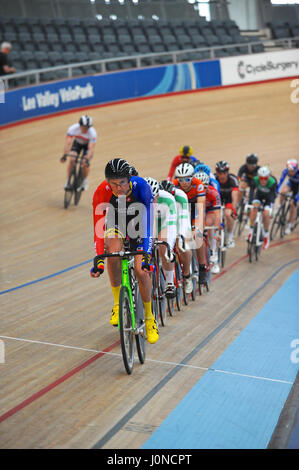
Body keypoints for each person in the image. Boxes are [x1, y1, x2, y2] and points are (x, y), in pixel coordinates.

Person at [90, 158, 159, 344]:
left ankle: (150, 317)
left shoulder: (142, 187)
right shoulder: (101, 192)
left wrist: (145, 255)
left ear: (130, 179)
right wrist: (99, 260)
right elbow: (98, 231)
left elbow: (149, 224)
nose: (118, 188)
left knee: (140, 271)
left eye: (122, 183)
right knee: (112, 252)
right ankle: (117, 304)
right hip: (116, 224)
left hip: (139, 225)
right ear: (107, 182)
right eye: (113, 183)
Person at [173, 163, 207, 284]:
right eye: (181, 179)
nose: (184, 182)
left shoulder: (198, 185)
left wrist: (197, 227)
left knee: (198, 237)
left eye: (187, 179)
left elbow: (201, 207)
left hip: (195, 212)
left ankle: (202, 267)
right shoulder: (174, 186)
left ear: (192, 177)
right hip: (182, 213)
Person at [144, 177, 177, 299]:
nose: (152, 202)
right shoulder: (138, 200)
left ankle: (169, 283)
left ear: (158, 194)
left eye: (154, 199)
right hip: (149, 222)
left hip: (165, 222)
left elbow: (171, 225)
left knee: (163, 243)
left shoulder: (167, 199)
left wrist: (168, 246)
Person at [159, 180, 193, 294]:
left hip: (179, 220)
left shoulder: (181, 196)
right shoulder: (160, 199)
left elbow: (184, 219)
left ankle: (187, 275)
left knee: (184, 246)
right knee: (162, 246)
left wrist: (182, 237)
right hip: (165, 221)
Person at [60, 115, 97, 191]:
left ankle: (85, 181)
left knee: (84, 163)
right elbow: (68, 143)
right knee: (72, 159)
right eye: (84, 127)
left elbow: (91, 148)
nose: (85, 129)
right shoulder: (73, 129)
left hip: (87, 145)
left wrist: (87, 159)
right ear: (80, 125)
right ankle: (68, 181)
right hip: (77, 143)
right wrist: (64, 155)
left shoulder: (92, 133)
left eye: (87, 127)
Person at [196, 171, 222, 274]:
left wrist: (216, 231)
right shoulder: (193, 193)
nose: (203, 190)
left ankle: (214, 254)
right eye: (201, 187)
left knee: (209, 224)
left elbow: (217, 214)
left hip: (210, 210)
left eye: (205, 187)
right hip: (198, 211)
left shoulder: (213, 193)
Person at [247, 166, 277, 249]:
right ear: (258, 177)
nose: (263, 180)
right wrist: (249, 203)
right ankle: (251, 231)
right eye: (261, 178)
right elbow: (251, 192)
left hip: (269, 199)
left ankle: (266, 236)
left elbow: (273, 196)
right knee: (254, 209)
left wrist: (270, 209)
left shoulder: (272, 182)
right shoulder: (255, 180)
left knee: (266, 214)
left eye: (265, 178)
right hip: (258, 197)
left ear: (268, 177)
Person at [215, 160, 239, 248]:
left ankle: (230, 236)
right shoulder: (214, 179)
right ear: (216, 173)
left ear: (227, 172)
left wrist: (234, 209)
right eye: (219, 173)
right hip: (218, 199)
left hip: (229, 199)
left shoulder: (233, 179)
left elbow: (235, 197)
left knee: (228, 214)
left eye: (224, 173)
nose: (222, 175)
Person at [276, 159, 299, 235]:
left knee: (293, 205)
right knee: (283, 192)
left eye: (292, 171)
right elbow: (281, 181)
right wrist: (276, 190)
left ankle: (289, 225)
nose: (291, 173)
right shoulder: (285, 171)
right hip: (291, 184)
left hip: (298, 188)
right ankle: (280, 206)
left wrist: (296, 198)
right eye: (289, 171)